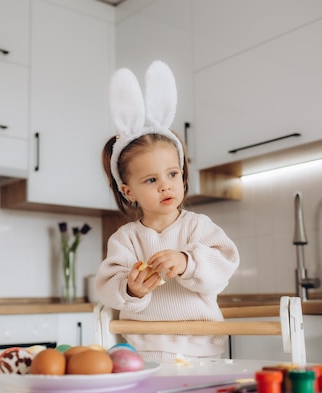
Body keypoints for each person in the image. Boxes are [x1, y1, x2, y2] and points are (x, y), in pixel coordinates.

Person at [95, 61, 239, 361]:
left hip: (202, 350)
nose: (166, 186)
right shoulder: (126, 239)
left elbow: (225, 265)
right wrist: (130, 289)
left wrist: (188, 262)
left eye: (173, 174)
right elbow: (107, 288)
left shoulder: (198, 227)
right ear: (128, 191)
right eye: (151, 179)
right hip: (142, 352)